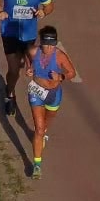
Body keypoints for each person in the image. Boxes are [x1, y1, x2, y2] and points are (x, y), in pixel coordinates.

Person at [0, 0, 54, 117]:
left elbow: (49, 5)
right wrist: (0, 10)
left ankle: (41, 99)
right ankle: (9, 93)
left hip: (29, 34)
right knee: (13, 70)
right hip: (9, 32)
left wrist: (43, 12)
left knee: (32, 68)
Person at [24, 26, 79, 178]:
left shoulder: (60, 56)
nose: (49, 48)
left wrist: (60, 77)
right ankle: (37, 165)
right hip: (36, 92)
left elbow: (72, 73)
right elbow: (27, 55)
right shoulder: (34, 51)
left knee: (46, 124)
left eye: (52, 44)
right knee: (39, 129)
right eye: (46, 44)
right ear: (41, 43)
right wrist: (29, 68)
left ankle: (43, 133)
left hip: (54, 95)